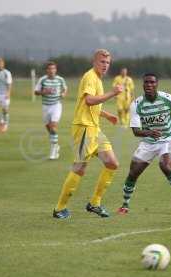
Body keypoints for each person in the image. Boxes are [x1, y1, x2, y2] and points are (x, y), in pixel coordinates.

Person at [117, 73, 171, 215]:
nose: (149, 85)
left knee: (165, 166)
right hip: (148, 142)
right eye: (146, 82)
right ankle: (125, 205)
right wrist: (149, 133)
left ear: (157, 84)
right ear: (143, 84)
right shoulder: (137, 104)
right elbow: (136, 131)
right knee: (133, 173)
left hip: (167, 139)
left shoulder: (168, 99)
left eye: (152, 82)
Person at [53, 49, 123, 219]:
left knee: (112, 163)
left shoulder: (97, 79)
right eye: (102, 62)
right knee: (80, 168)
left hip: (94, 129)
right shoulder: (90, 77)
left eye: (107, 63)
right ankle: (59, 208)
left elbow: (93, 106)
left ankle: (94, 203)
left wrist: (107, 115)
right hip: (84, 128)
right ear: (94, 62)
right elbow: (89, 100)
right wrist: (113, 93)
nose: (105, 65)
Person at [34, 61, 68, 160]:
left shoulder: (60, 79)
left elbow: (65, 88)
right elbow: (36, 92)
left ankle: (53, 150)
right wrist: (43, 92)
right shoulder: (42, 80)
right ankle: (56, 144)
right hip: (45, 106)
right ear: (47, 70)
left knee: (53, 127)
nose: (52, 70)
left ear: (55, 70)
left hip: (56, 106)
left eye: (53, 68)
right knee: (49, 128)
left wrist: (63, 94)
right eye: (50, 69)